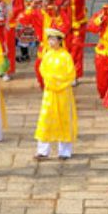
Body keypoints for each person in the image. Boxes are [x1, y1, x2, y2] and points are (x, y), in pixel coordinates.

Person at [34, 28, 78, 159]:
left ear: (60, 41)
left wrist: (57, 81)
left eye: (53, 39)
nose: (51, 42)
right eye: (49, 39)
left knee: (64, 119)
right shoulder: (47, 54)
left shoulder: (66, 56)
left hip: (63, 92)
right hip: (49, 92)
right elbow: (42, 69)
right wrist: (50, 80)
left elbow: (70, 75)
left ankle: (64, 151)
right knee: (45, 119)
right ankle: (43, 150)